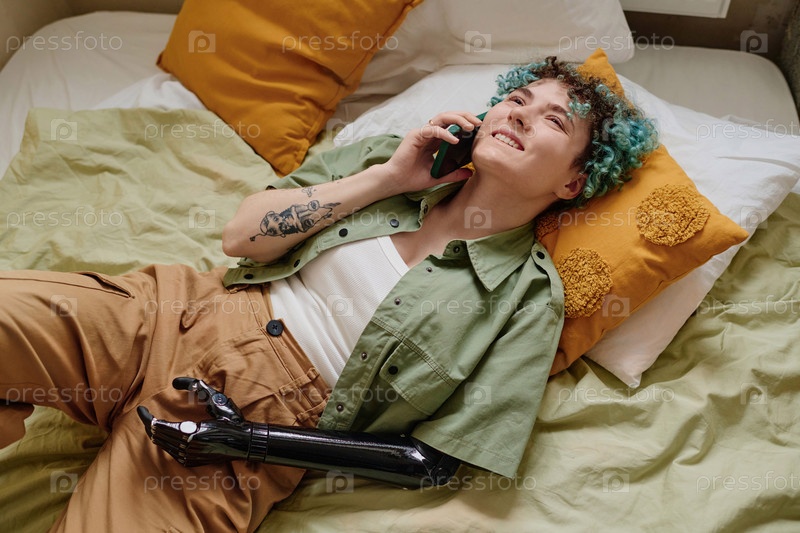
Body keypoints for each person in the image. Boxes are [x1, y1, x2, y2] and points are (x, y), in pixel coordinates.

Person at [0, 56, 658, 532]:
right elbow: (241, 236)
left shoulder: (530, 298)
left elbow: (431, 461)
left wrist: (246, 441)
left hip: (255, 420)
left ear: (573, 183)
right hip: (176, 311)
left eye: (552, 120)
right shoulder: (393, 161)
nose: (518, 114)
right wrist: (386, 179)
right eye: (517, 98)